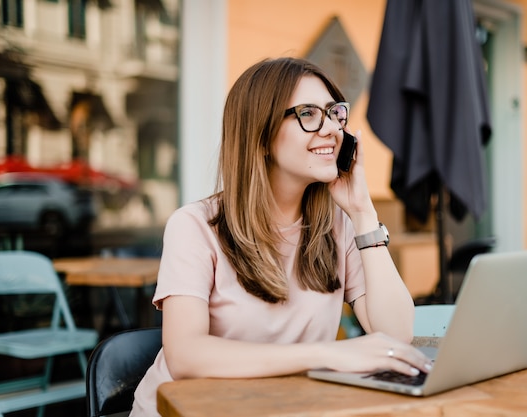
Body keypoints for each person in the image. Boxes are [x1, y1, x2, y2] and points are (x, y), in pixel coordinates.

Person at [130, 57, 432, 416]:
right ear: (260, 137)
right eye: (308, 114)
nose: (332, 129)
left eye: (334, 113)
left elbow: (396, 333)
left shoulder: (339, 225)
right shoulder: (195, 226)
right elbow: (184, 355)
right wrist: (327, 354)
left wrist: (364, 213)